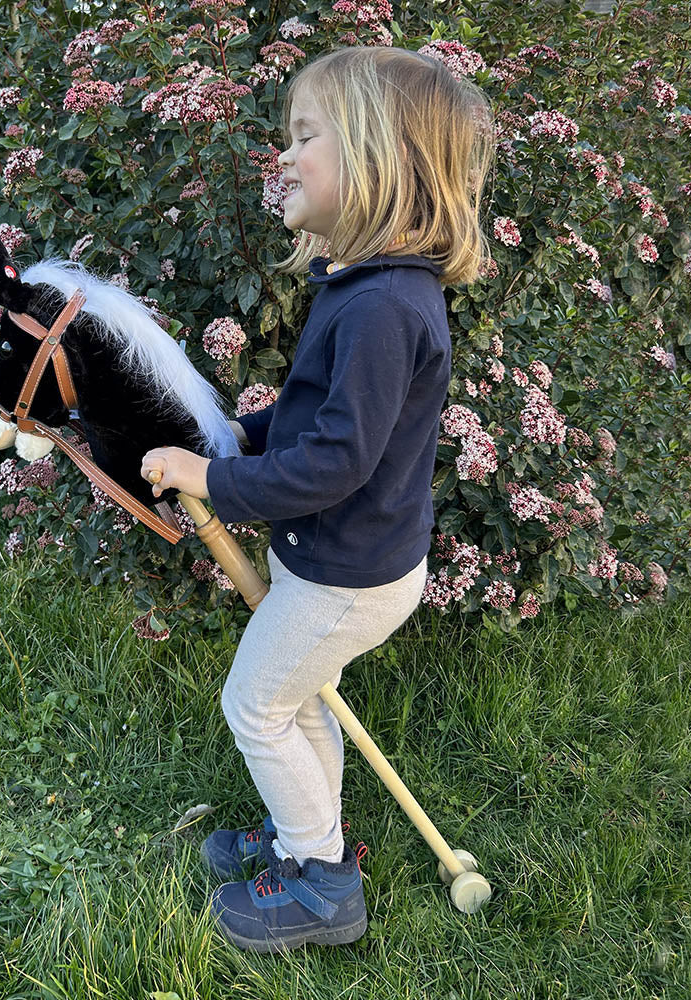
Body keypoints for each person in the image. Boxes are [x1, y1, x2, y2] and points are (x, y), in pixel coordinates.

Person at [140, 45, 495, 954]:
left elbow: (332, 463)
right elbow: (313, 421)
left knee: (255, 705)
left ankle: (323, 888)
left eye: (306, 137)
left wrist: (213, 479)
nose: (284, 156)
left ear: (378, 159)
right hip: (340, 565)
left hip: (346, 579)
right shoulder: (367, 291)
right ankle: (313, 833)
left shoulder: (383, 309)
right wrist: (232, 438)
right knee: (300, 703)